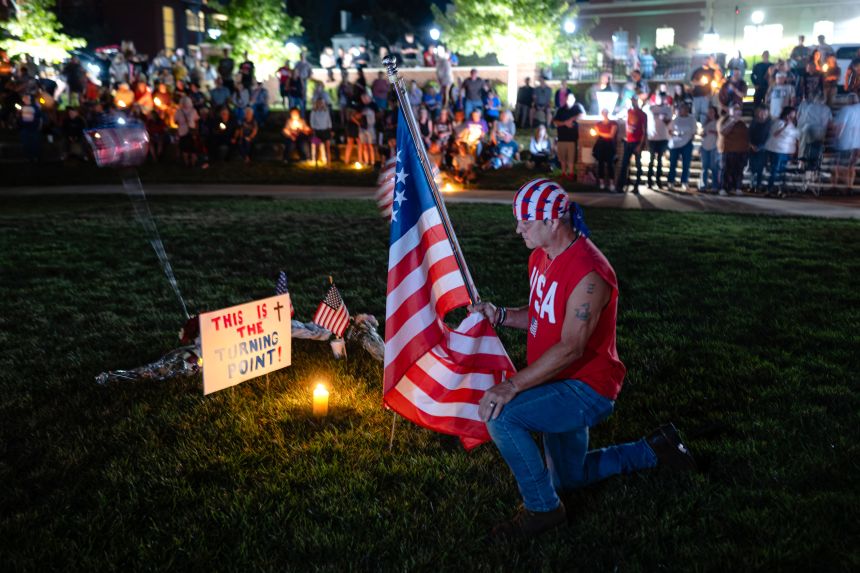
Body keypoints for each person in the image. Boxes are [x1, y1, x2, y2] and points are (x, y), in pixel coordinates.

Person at [468, 181, 696, 539]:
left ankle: (543, 509)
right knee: (569, 478)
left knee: (503, 415)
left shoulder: (590, 272)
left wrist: (511, 386)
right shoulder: (540, 255)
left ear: (554, 221)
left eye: (525, 221)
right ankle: (654, 450)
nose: (518, 229)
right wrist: (500, 315)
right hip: (558, 379)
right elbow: (545, 314)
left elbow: (572, 346)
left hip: (585, 387)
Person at [764, 106, 799, 198]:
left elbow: (794, 138)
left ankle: (780, 190)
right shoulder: (779, 123)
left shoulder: (792, 125)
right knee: (775, 170)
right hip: (777, 150)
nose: (794, 115)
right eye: (792, 113)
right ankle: (770, 189)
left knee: (782, 172)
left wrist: (794, 150)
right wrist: (785, 126)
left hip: (786, 151)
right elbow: (775, 134)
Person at [616, 94, 647, 193]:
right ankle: (620, 186)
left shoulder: (642, 114)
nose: (633, 102)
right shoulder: (629, 111)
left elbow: (645, 131)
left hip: (637, 142)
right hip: (628, 142)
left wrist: (640, 145)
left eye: (634, 100)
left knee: (638, 165)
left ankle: (636, 187)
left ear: (637, 101)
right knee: (624, 164)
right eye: (631, 100)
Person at [717, 103, 749, 196]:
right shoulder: (724, 120)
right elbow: (723, 132)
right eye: (735, 109)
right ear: (730, 110)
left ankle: (737, 187)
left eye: (739, 109)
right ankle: (723, 187)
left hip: (741, 151)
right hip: (728, 150)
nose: (738, 111)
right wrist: (732, 121)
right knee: (726, 170)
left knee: (738, 171)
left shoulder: (741, 123)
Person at [831, 93, 860, 191]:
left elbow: (840, 126)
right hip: (857, 143)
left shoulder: (846, 110)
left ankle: (834, 186)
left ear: (848, 101)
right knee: (852, 166)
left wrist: (836, 137)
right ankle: (849, 186)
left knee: (837, 165)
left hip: (845, 142)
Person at [553, 92, 584, 181]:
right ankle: (563, 173)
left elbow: (582, 115)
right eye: (567, 99)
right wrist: (565, 123)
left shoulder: (577, 107)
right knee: (562, 157)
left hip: (572, 138)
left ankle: (570, 173)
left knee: (571, 157)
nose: (568, 101)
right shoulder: (560, 110)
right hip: (561, 137)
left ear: (574, 99)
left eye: (570, 99)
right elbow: (555, 122)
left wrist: (571, 119)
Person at [666, 102, 696, 191]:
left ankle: (684, 182)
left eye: (684, 108)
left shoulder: (692, 119)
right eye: (680, 108)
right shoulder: (675, 119)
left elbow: (693, 132)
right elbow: (670, 130)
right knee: (673, 164)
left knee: (686, 164)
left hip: (687, 144)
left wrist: (686, 136)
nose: (682, 110)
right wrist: (677, 134)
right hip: (675, 144)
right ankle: (671, 182)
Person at [644, 93, 671, 189]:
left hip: (663, 138)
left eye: (663, 98)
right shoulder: (650, 108)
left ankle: (658, 181)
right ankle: (649, 182)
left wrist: (664, 119)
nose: (660, 99)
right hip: (652, 138)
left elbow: (669, 122)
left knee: (660, 160)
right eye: (659, 98)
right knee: (651, 160)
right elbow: (644, 116)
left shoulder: (668, 109)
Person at [747, 105, 772, 192]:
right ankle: (752, 185)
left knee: (760, 168)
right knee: (753, 168)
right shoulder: (754, 122)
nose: (762, 114)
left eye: (764, 113)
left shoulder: (769, 123)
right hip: (752, 147)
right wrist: (751, 145)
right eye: (761, 112)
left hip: (763, 148)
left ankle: (758, 185)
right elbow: (749, 134)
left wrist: (761, 146)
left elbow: (769, 136)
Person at [592, 109, 618, 192]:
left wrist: (599, 133)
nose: (605, 114)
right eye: (603, 113)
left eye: (606, 113)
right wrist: (599, 133)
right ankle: (602, 183)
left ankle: (611, 184)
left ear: (608, 113)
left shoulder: (613, 123)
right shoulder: (598, 124)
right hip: (600, 146)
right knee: (600, 164)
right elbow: (595, 133)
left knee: (610, 165)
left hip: (609, 146)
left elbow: (611, 135)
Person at [690, 56, 720, 124]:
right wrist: (700, 83)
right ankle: (694, 128)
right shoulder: (697, 71)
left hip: (706, 96)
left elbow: (714, 83)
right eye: (705, 60)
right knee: (695, 113)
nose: (706, 62)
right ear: (702, 61)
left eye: (707, 61)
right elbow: (692, 82)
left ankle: (703, 128)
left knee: (704, 114)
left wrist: (711, 94)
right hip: (697, 95)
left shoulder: (712, 71)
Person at [699, 106, 720, 192]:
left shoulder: (718, 122)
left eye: (711, 111)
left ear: (715, 112)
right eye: (709, 112)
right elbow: (702, 134)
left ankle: (715, 186)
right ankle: (703, 185)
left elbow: (721, 133)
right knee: (704, 167)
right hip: (705, 146)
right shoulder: (705, 123)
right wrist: (703, 134)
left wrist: (713, 132)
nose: (710, 113)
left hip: (714, 147)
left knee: (714, 167)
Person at [175, 96, 200, 168]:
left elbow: (176, 122)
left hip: (183, 132)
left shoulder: (178, 111)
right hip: (191, 131)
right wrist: (196, 130)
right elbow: (196, 121)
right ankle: (192, 164)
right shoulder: (193, 111)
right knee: (192, 148)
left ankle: (187, 163)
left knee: (185, 149)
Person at [309, 97, 332, 166]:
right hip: (317, 131)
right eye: (318, 103)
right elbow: (312, 121)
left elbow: (329, 120)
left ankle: (329, 163)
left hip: (325, 130)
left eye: (321, 103)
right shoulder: (314, 112)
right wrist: (313, 129)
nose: (320, 104)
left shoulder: (326, 111)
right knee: (316, 148)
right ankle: (316, 163)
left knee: (327, 148)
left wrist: (330, 129)